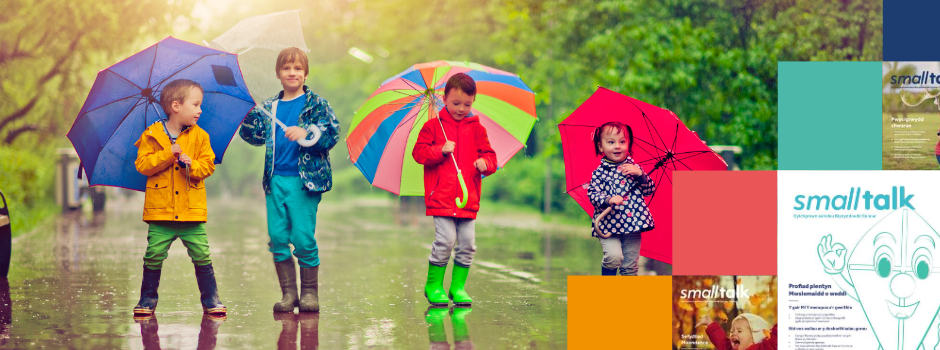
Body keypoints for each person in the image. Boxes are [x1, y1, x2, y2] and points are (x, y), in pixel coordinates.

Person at [238, 47, 340, 312]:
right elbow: (253, 137)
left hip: (304, 182)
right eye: (286, 68)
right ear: (278, 74)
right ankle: (289, 294)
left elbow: (332, 133)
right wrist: (248, 112)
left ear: (305, 73)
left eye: (297, 68)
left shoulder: (316, 104)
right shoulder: (269, 107)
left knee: (303, 237)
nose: (292, 72)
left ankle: (309, 293)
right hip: (275, 180)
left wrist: (307, 132)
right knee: (277, 237)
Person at [133, 79, 226, 316]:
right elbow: (142, 165)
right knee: (153, 255)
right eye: (195, 105)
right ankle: (147, 299)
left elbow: (208, 166)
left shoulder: (200, 137)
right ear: (176, 106)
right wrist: (167, 153)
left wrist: (191, 164)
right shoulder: (151, 135)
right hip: (160, 212)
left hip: (190, 213)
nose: (200, 110)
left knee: (202, 254)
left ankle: (211, 299)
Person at [412, 73, 498, 306]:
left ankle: (458, 287)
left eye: (467, 104)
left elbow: (491, 156)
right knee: (446, 240)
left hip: (467, 197)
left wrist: (486, 164)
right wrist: (440, 150)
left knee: (468, 243)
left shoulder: (477, 129)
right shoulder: (433, 127)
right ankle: (433, 285)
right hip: (441, 197)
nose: (461, 108)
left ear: (473, 101)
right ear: (444, 98)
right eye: (455, 103)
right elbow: (418, 154)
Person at [587, 121, 655, 276]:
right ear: (600, 147)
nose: (617, 146)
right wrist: (609, 199)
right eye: (611, 142)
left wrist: (641, 175)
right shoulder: (599, 173)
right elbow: (593, 195)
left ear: (628, 144)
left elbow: (649, 189)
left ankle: (626, 299)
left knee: (630, 267)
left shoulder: (635, 169)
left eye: (622, 142)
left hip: (633, 225)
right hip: (608, 225)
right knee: (613, 257)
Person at [700, 313, 777, 350]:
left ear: (754, 337)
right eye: (732, 331)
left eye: (739, 331)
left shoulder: (763, 348)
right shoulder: (731, 348)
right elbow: (721, 340)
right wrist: (709, 323)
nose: (733, 333)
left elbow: (775, 337)